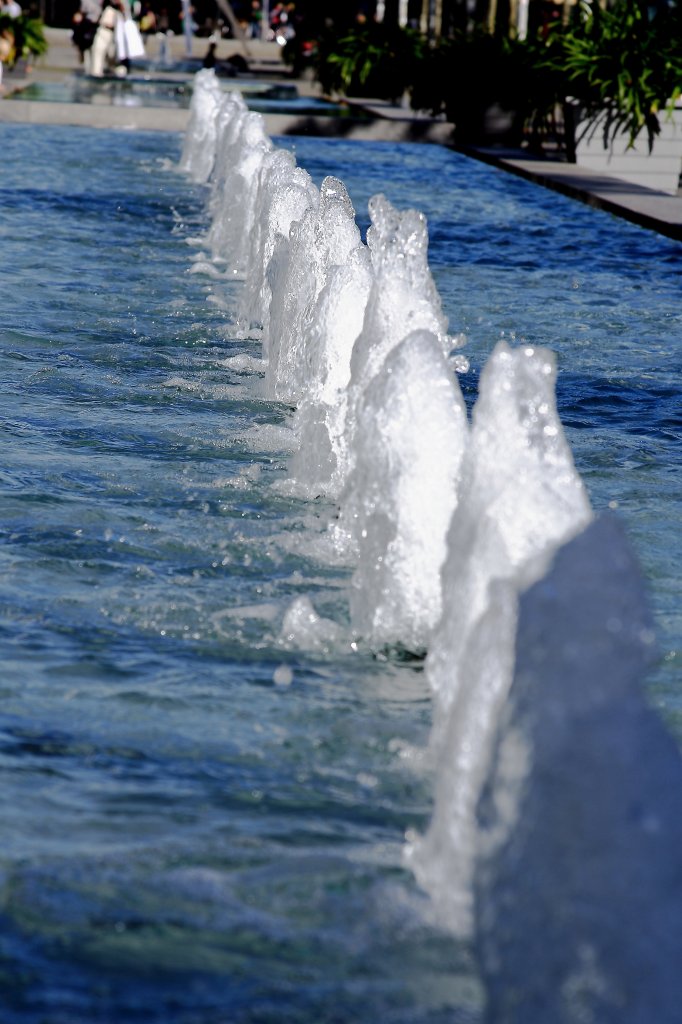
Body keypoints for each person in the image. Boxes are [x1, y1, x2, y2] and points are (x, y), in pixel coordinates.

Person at [90, 0, 121, 76]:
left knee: (112, 55)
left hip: (113, 34)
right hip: (103, 31)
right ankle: (96, 74)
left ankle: (114, 72)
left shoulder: (118, 9)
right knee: (98, 52)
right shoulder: (105, 6)